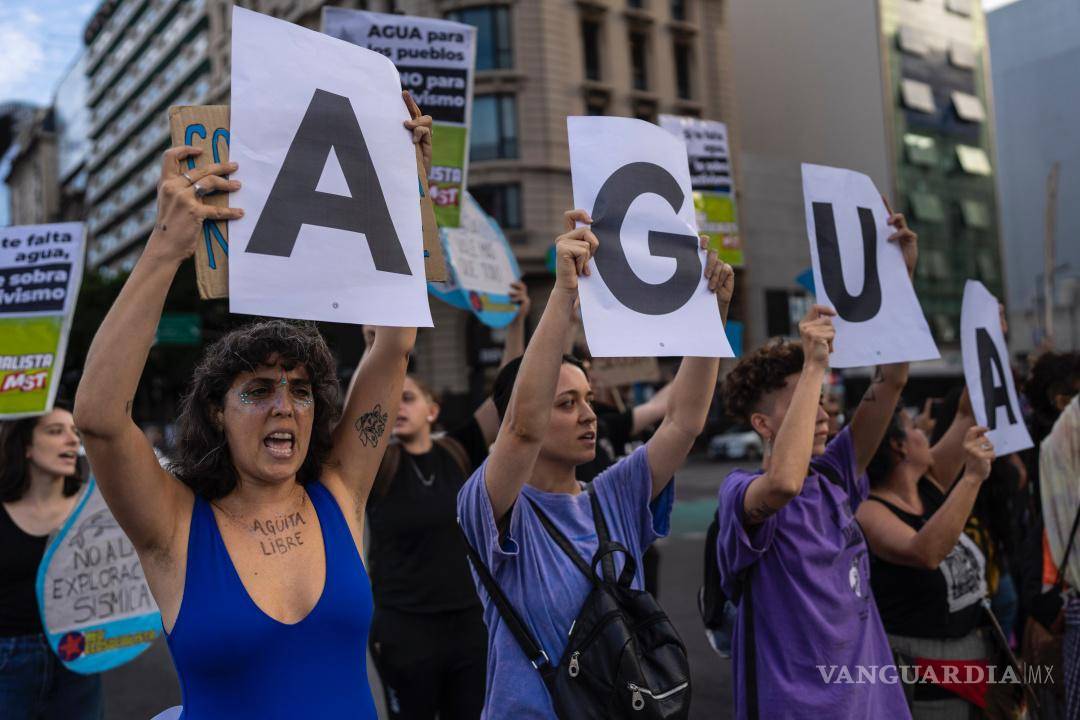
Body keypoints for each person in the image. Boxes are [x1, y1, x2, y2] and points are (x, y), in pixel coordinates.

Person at [72, 93, 432, 719]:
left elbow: (395, 345)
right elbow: (100, 420)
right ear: (217, 411)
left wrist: (404, 190)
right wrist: (165, 248)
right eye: (258, 390)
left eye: (299, 390)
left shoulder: (340, 493)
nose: (284, 407)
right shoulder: (174, 526)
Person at [458, 210, 734, 718]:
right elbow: (521, 429)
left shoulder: (613, 496)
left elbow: (683, 423)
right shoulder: (492, 506)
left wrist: (708, 319)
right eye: (566, 403)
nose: (588, 415)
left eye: (587, 399)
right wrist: (563, 294)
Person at [715, 206, 919, 719]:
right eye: (806, 401)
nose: (823, 413)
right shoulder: (743, 492)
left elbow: (890, 381)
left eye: (824, 399)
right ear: (763, 425)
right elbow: (783, 483)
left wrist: (900, 282)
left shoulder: (834, 476)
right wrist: (812, 366)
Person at [363, 281, 530, 720]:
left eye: (409, 397)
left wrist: (514, 325)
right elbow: (365, 415)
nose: (398, 405)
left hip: (468, 625)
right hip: (404, 629)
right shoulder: (378, 465)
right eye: (393, 398)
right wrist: (376, 353)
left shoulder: (457, 452)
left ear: (432, 410)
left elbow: (509, 401)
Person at [857, 403, 998, 718]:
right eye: (913, 427)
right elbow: (926, 552)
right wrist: (972, 479)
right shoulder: (868, 510)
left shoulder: (928, 484)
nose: (925, 430)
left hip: (971, 666)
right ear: (899, 446)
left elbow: (966, 413)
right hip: (922, 679)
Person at [0, 404, 101, 720]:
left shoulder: (95, 510)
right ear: (26, 446)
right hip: (8, 660)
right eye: (56, 431)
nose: (72, 441)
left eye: (74, 432)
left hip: (79, 655)